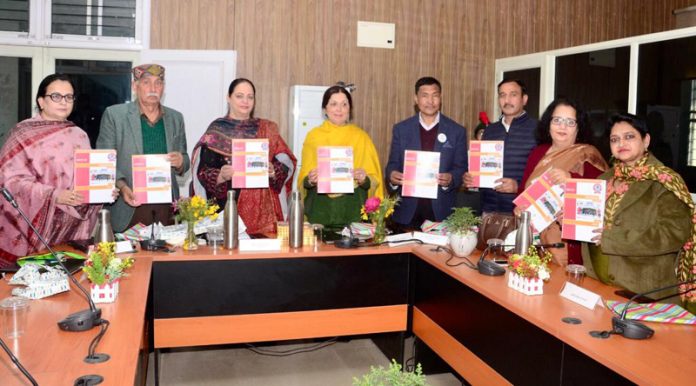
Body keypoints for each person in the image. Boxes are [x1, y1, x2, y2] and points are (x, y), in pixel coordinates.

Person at [583, 113, 695, 308]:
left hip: (644, 294)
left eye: (629, 136)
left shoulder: (664, 181)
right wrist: (571, 220)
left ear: (646, 140)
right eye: (614, 139)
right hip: (599, 285)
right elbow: (589, 221)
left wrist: (616, 238)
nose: (621, 143)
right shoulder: (603, 179)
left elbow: (675, 233)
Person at [0, 74, 103, 266]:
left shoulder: (79, 135)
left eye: (69, 97)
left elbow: (87, 178)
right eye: (56, 96)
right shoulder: (22, 134)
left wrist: (100, 191)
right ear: (41, 101)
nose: (64, 102)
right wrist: (54, 195)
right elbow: (8, 182)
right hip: (32, 227)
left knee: (67, 285)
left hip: (70, 230)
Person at [191, 78, 296, 235]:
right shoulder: (216, 130)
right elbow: (201, 173)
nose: (245, 101)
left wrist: (274, 171)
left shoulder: (267, 129)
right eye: (239, 96)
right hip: (227, 213)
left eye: (250, 97)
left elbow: (287, 163)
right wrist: (220, 176)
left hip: (264, 216)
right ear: (229, 97)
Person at [97, 64, 190, 232]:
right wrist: (122, 187)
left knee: (165, 256)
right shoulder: (115, 115)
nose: (153, 88)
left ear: (163, 87)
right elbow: (105, 160)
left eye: (158, 83)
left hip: (166, 207)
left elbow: (184, 157)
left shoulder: (176, 118)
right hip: (129, 204)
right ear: (135, 86)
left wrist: (181, 161)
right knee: (129, 257)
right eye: (146, 82)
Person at [516, 98, 608, 266]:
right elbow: (524, 190)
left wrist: (572, 179)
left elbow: (604, 193)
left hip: (565, 245)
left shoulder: (587, 153)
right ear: (548, 123)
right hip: (533, 239)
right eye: (557, 120)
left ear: (579, 127)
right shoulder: (538, 152)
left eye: (570, 122)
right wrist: (519, 207)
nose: (562, 126)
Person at [386, 77, 467, 230]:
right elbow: (392, 165)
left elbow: (461, 168)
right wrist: (392, 176)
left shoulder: (456, 131)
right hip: (407, 213)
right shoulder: (401, 129)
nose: (430, 101)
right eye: (425, 95)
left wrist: (451, 178)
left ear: (440, 98)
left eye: (435, 95)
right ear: (416, 99)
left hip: (441, 212)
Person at [298, 85, 383, 230]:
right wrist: (310, 180)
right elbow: (303, 182)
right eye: (334, 104)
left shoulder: (361, 137)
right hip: (320, 216)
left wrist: (364, 179)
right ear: (325, 109)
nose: (339, 109)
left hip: (354, 217)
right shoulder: (314, 137)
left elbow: (374, 181)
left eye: (344, 104)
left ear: (350, 109)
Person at [464, 79, 537, 214]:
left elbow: (544, 175)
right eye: (502, 95)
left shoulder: (538, 130)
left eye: (513, 95)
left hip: (523, 211)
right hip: (489, 210)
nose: (507, 100)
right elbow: (482, 169)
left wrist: (518, 187)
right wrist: (471, 179)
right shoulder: (490, 130)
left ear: (524, 99)